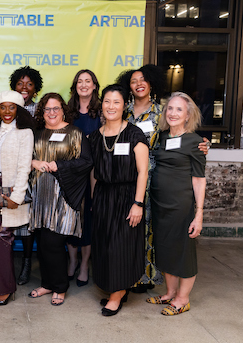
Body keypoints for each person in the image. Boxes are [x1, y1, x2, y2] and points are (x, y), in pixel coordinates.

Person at [116, 64, 209, 293]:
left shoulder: (161, 111)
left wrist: (202, 144)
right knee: (132, 228)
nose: (138, 84)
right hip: (125, 176)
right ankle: (129, 275)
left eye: (143, 79)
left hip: (154, 178)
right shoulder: (121, 110)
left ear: (152, 84)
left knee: (151, 230)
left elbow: (182, 140)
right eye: (134, 80)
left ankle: (147, 277)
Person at [28, 93, 93, 306]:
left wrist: (60, 165)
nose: (52, 112)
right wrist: (33, 162)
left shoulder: (75, 133)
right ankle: (47, 284)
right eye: (47, 109)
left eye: (56, 108)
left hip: (65, 196)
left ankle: (60, 286)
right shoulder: (37, 134)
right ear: (42, 112)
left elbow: (86, 162)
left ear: (63, 110)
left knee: (54, 243)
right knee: (43, 243)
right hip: (40, 197)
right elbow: (23, 157)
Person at [90, 84, 149, 317]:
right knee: (104, 245)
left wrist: (138, 203)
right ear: (101, 104)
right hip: (104, 196)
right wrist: (95, 199)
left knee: (120, 246)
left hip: (127, 197)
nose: (111, 106)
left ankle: (117, 295)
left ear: (125, 105)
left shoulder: (134, 134)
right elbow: (94, 172)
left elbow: (143, 171)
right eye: (107, 101)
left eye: (116, 102)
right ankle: (116, 288)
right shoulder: (96, 136)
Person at [149, 92, 206, 316]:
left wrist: (199, 213)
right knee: (164, 248)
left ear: (188, 115)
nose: (172, 113)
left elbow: (199, 179)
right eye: (169, 108)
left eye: (179, 109)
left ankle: (183, 299)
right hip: (159, 203)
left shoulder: (195, 142)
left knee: (183, 251)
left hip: (180, 205)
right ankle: (170, 292)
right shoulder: (162, 137)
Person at [0, 91, 34, 306]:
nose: (7, 111)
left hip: (11, 190)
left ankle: (5, 290)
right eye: (3, 107)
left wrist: (18, 196)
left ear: (19, 110)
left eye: (12, 107)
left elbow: (24, 167)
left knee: (3, 238)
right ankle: (6, 286)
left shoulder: (25, 133)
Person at [66, 69, 101, 287]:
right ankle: (72, 261)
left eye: (88, 81)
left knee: (87, 221)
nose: (84, 84)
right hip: (70, 175)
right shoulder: (68, 113)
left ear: (95, 86)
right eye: (80, 81)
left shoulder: (102, 112)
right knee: (70, 221)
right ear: (75, 86)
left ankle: (85, 265)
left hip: (94, 175)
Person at [9, 66, 43, 285]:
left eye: (29, 84)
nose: (24, 88)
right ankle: (7, 264)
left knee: (29, 223)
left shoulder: (41, 110)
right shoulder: (7, 108)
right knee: (11, 218)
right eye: (20, 83)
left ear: (36, 88)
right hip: (12, 171)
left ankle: (27, 262)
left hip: (35, 173)